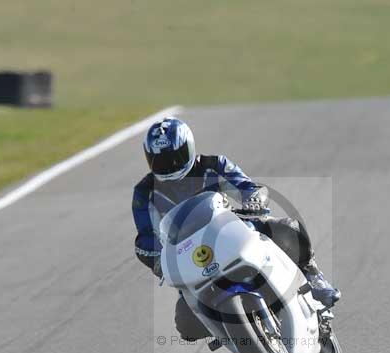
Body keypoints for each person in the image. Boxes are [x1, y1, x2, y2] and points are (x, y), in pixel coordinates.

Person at [132, 117, 340, 340]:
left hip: (232, 230)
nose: (170, 166)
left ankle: (313, 274)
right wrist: (156, 259)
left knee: (287, 228)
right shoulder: (144, 193)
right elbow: (146, 237)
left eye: (175, 157)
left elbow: (248, 187)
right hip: (191, 255)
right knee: (186, 324)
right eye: (161, 161)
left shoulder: (215, 164)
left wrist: (253, 201)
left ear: (189, 148)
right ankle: (228, 333)